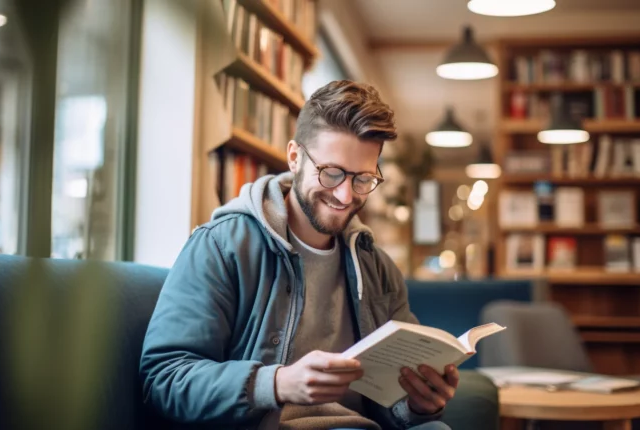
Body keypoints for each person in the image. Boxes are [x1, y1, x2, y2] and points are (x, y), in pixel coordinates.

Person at [139, 80, 457, 430]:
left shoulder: (377, 268)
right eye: (331, 173)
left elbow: (393, 403)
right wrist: (275, 384)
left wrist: (419, 404)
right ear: (294, 157)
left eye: (363, 179)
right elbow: (164, 379)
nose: (345, 195)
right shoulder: (222, 245)